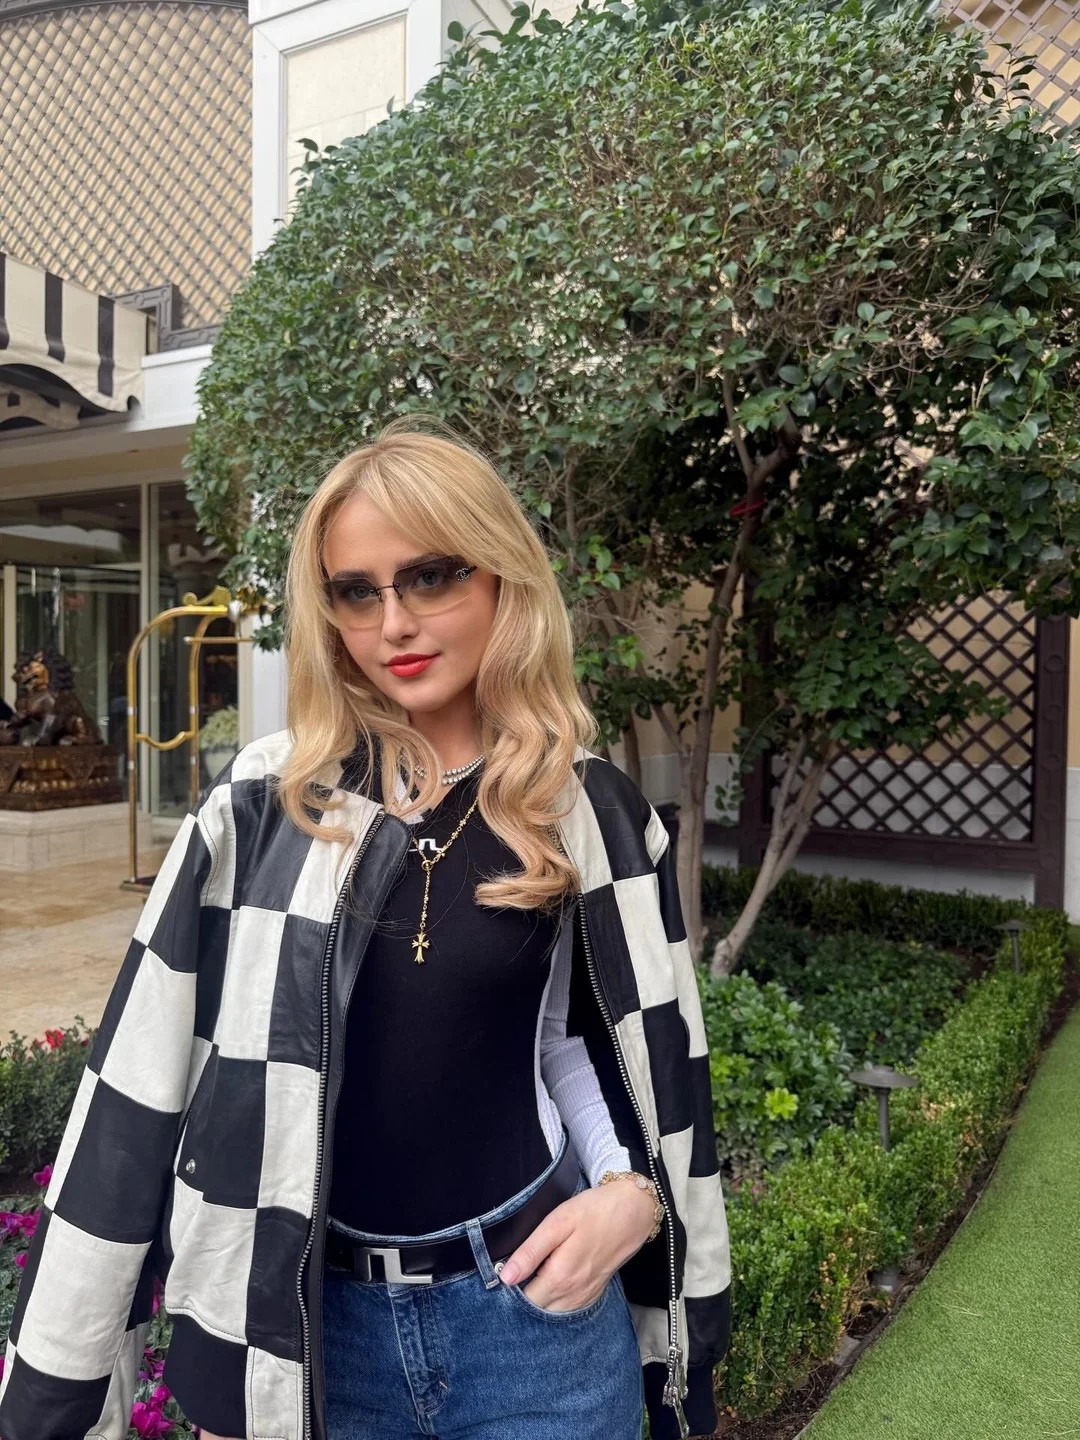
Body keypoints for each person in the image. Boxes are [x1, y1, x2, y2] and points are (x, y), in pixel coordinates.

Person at [0, 417, 731, 1440]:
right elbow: (146, 1085)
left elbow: (590, 1048)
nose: (395, 623)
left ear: (502, 579)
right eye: (357, 591)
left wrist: (632, 1193)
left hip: (535, 1328)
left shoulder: (585, 810)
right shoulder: (263, 807)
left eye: (430, 576)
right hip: (313, 1340)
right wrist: (217, 1369)